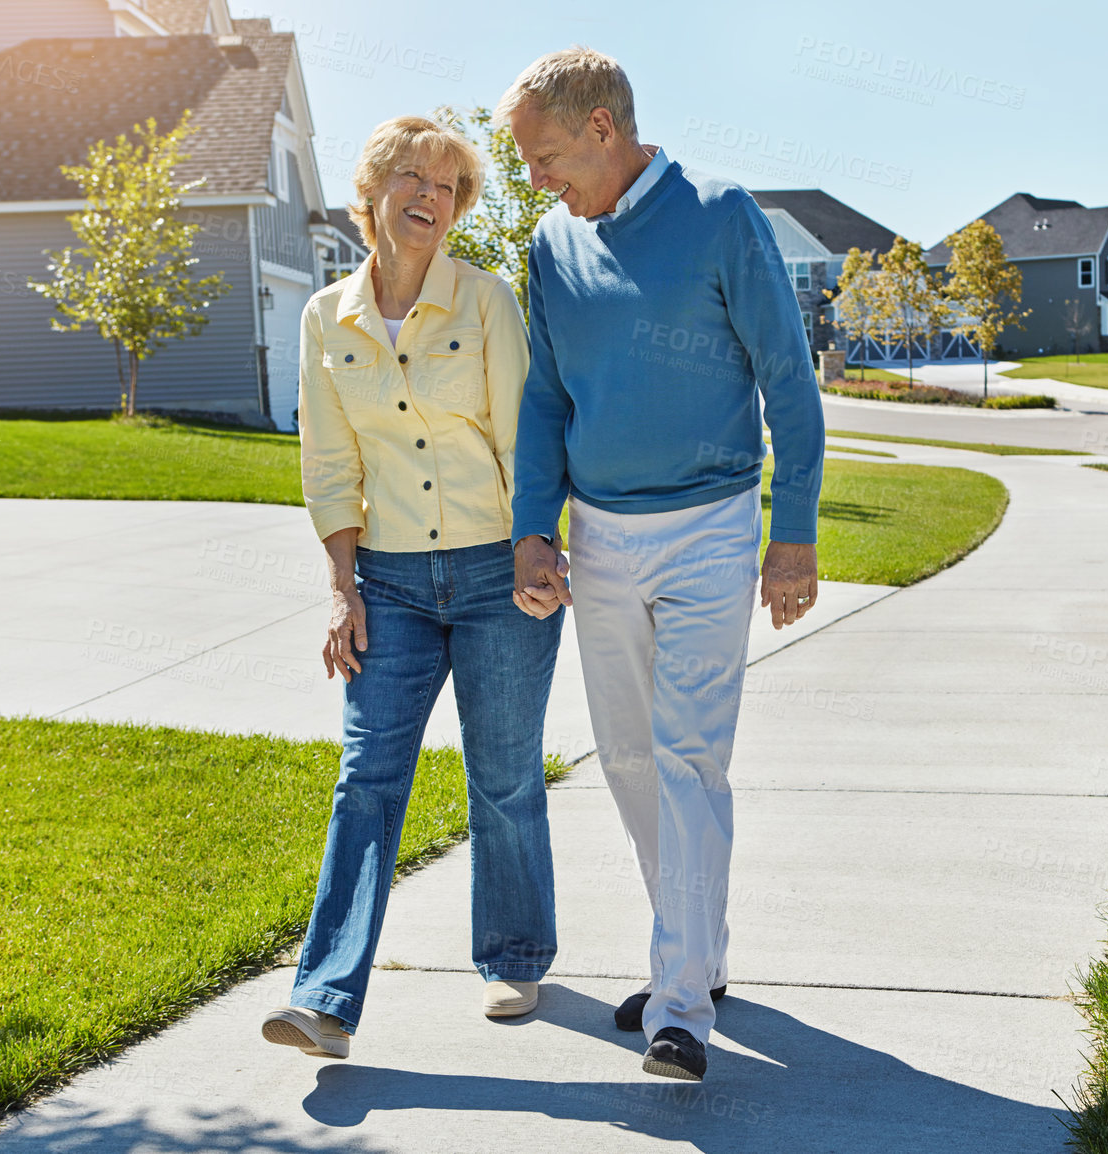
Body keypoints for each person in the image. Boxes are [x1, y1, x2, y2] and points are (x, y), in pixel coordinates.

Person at [499, 47, 825, 1083]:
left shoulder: (722, 216)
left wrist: (794, 530)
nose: (535, 180)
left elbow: (788, 377)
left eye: (545, 156)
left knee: (687, 756)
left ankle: (678, 1005)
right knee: (630, 760)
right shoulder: (551, 246)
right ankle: (702, 953)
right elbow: (546, 397)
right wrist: (531, 526)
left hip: (712, 527)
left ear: (602, 128)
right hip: (596, 538)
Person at [260, 115, 563, 1061]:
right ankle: (325, 1000)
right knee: (367, 778)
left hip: (492, 569)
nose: (428, 195)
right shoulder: (324, 317)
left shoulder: (486, 303)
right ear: (373, 191)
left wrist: (534, 543)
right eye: (410, 176)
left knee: (504, 774)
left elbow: (526, 433)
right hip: (386, 582)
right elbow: (328, 461)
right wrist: (343, 588)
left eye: (447, 184)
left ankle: (512, 953)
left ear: (460, 207)